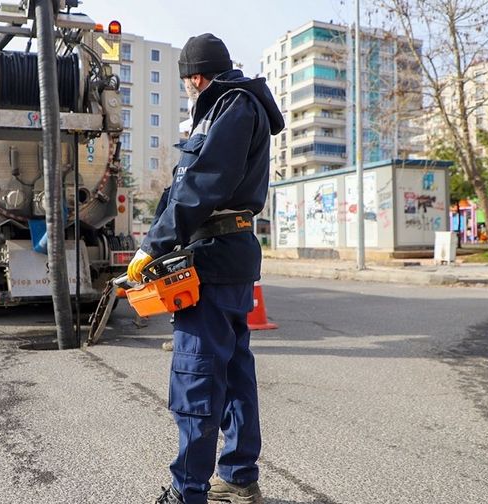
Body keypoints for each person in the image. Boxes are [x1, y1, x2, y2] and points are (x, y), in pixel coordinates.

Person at [125, 33, 284, 504]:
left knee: (196, 374)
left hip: (215, 256)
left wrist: (152, 245)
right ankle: (237, 476)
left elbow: (202, 184)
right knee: (234, 372)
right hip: (225, 253)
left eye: (188, 81)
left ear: (195, 76)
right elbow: (182, 188)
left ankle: (187, 492)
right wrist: (152, 241)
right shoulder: (228, 108)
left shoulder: (231, 107)